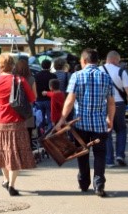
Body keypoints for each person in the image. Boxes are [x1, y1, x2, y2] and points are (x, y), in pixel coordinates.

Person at [55, 48, 115, 197]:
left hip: (80, 125)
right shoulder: (106, 77)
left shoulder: (77, 76)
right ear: (96, 61)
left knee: (82, 154)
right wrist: (110, 119)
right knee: (100, 154)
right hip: (100, 125)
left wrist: (62, 120)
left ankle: (83, 182)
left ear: (84, 60)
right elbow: (112, 103)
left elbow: (70, 101)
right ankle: (99, 184)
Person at [0, 53, 36, 196]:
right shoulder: (19, 80)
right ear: (13, 65)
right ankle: (11, 184)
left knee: (2, 153)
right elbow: (32, 98)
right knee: (15, 154)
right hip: (17, 122)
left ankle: (5, 179)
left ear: (0, 65)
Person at [100, 51, 128, 167]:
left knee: (106, 131)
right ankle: (120, 155)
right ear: (115, 59)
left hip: (102, 104)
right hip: (119, 104)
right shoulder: (121, 71)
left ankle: (109, 160)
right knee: (121, 129)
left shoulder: (98, 71)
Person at [34, 59, 57, 132]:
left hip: (39, 100)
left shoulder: (36, 76)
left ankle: (41, 134)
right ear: (50, 66)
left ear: (41, 66)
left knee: (40, 118)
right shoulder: (53, 76)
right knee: (50, 119)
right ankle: (49, 135)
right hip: (49, 100)